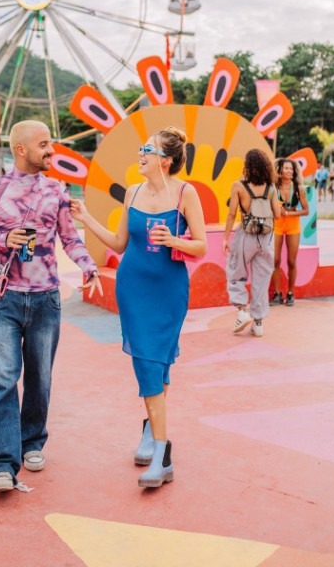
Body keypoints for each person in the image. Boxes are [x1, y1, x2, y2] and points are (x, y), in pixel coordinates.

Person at [0, 120, 102, 493]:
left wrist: (88, 265)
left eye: (51, 144)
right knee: (1, 379)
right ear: (21, 149)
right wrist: (3, 239)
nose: (51, 151)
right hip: (4, 299)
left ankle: (32, 443)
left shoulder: (57, 190)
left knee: (40, 378)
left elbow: (69, 237)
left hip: (45, 299)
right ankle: (2, 465)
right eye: (44, 145)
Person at [70, 126, 206, 489]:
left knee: (158, 363)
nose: (140, 154)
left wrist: (174, 239)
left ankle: (158, 447)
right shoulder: (132, 192)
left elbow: (202, 246)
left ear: (166, 160)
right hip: (133, 290)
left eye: (147, 150)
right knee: (147, 364)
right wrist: (85, 219)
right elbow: (118, 242)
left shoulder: (185, 193)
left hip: (170, 290)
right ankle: (158, 445)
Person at [223, 149, 281, 337]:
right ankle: (258, 322)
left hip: (246, 235)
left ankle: (242, 311)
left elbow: (232, 214)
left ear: (247, 166)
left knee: (235, 271)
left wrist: (225, 238)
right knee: (261, 280)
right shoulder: (271, 188)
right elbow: (278, 214)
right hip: (266, 238)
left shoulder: (238, 186)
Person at [270, 158, 309, 307]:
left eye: (291, 169)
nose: (289, 171)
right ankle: (277, 294)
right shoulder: (273, 187)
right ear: (279, 170)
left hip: (293, 225)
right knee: (275, 260)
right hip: (277, 225)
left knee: (291, 261)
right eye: (286, 168)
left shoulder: (298, 188)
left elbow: (306, 211)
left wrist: (287, 214)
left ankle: (290, 293)